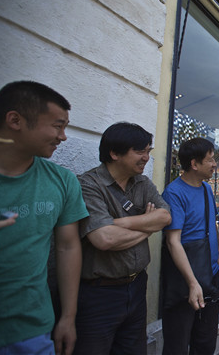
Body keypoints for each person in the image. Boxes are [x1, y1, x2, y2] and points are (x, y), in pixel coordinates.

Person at [0, 81, 88, 355]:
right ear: (15, 120)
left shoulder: (62, 180)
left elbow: (67, 246)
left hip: (34, 331)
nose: (64, 137)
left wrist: (68, 317)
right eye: (57, 126)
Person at [75, 122, 171, 355]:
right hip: (99, 294)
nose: (146, 158)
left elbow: (165, 217)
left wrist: (120, 223)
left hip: (137, 286)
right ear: (114, 153)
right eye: (140, 151)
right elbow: (104, 239)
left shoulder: (143, 182)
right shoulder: (88, 184)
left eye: (148, 151)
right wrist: (147, 228)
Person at [160, 138, 219, 355]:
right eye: (210, 160)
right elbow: (172, 241)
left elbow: (211, 223)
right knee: (177, 344)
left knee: (205, 343)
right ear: (194, 164)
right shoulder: (174, 192)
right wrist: (192, 283)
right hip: (186, 279)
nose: (215, 164)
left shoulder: (206, 188)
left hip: (210, 275)